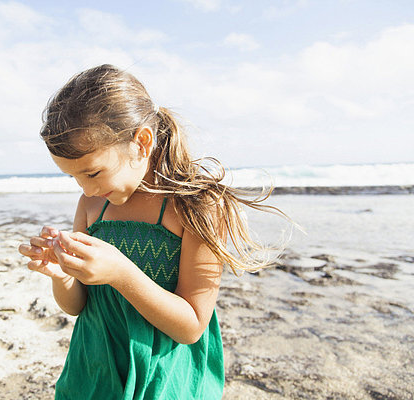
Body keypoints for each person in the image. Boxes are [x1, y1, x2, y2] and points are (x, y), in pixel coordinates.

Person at [18, 64, 295, 399]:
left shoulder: (195, 208)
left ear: (141, 143)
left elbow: (192, 325)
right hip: (95, 372)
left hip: (164, 380)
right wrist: (60, 276)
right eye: (74, 177)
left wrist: (121, 273)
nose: (86, 189)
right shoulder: (92, 207)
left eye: (92, 173)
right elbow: (77, 306)